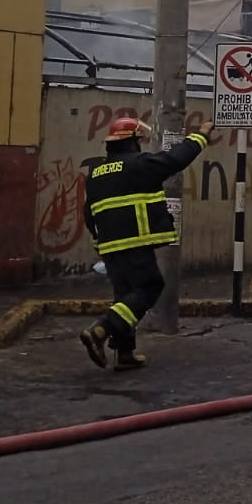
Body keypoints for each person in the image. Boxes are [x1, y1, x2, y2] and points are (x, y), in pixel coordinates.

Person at [79, 116, 215, 371]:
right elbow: (175, 159)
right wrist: (201, 136)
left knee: (125, 296)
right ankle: (101, 329)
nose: (140, 145)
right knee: (150, 287)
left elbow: (88, 212)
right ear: (132, 143)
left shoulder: (96, 173)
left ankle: (125, 353)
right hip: (135, 241)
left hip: (109, 246)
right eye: (138, 141)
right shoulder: (139, 165)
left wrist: (98, 241)